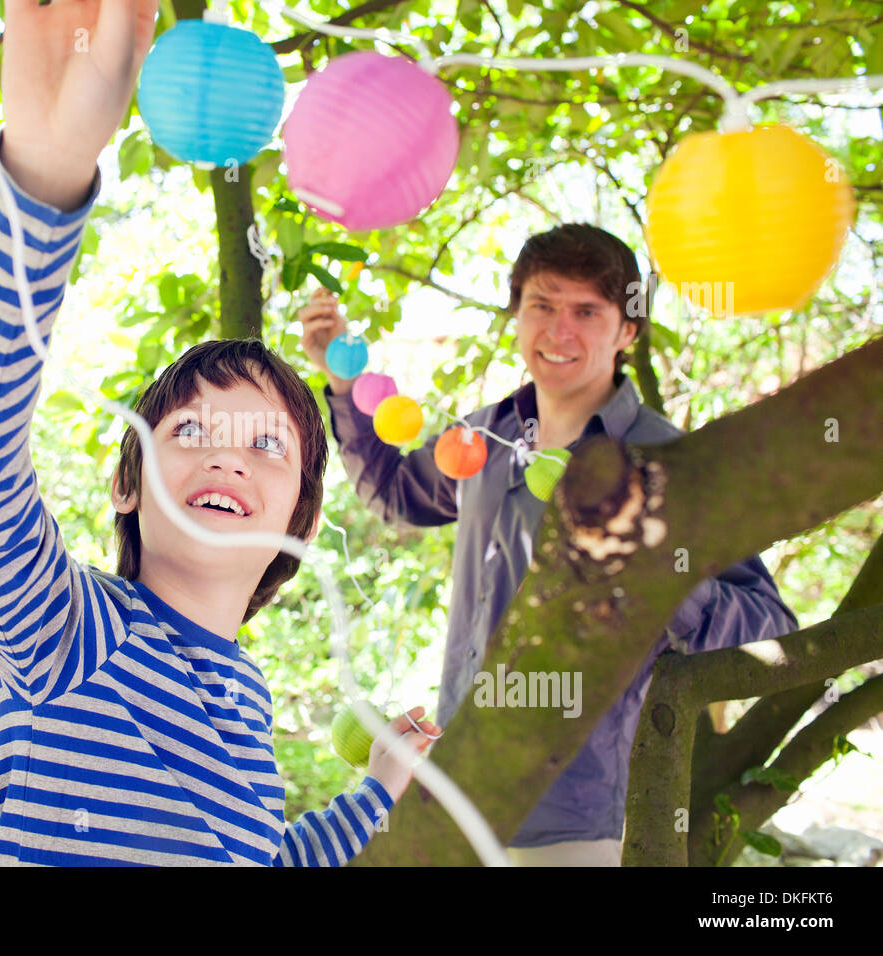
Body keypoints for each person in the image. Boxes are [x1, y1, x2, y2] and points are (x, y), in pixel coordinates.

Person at [0, 0, 437, 866]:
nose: (229, 451)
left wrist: (377, 792)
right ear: (127, 483)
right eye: (190, 430)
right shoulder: (73, 632)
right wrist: (43, 177)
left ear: (298, 527)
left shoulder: (244, 696)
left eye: (269, 445)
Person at [299, 223, 799, 865]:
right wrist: (342, 385)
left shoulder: (672, 464)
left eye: (587, 311)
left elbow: (770, 633)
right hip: (457, 790)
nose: (559, 331)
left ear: (627, 331)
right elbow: (396, 493)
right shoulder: (483, 437)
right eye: (542, 304)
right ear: (517, 315)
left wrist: (659, 575)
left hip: (575, 823)